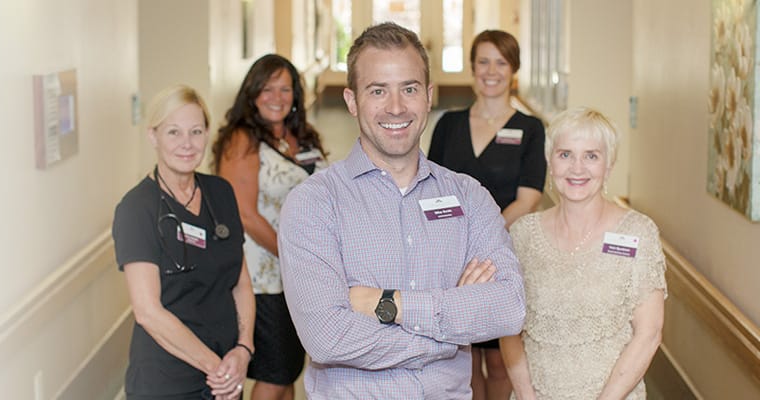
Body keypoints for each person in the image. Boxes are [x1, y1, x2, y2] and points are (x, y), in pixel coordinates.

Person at [277, 22, 526, 398]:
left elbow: (508, 308)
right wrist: (447, 337)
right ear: (352, 100)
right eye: (378, 91)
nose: (396, 107)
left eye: (409, 89)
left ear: (428, 96)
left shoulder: (469, 196)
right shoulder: (314, 203)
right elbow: (327, 337)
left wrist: (388, 304)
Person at [500, 108, 664, 400]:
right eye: (565, 154)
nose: (577, 168)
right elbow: (509, 328)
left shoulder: (638, 233)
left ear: (609, 166)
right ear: (550, 162)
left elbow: (648, 335)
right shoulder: (522, 235)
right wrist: (527, 396)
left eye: (591, 156)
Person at [424, 29, 546, 400]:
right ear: (472, 67)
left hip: (503, 256)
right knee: (463, 357)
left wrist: (481, 239)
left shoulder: (530, 129)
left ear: (514, 70)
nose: (490, 71)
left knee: (498, 359)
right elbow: (430, 188)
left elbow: (528, 199)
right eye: (483, 62)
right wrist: (456, 246)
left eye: (501, 62)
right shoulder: (449, 125)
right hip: (451, 258)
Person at [113, 85, 256, 400]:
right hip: (168, 381)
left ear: (207, 134)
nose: (187, 144)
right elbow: (148, 311)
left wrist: (244, 349)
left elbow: (241, 283)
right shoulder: (138, 209)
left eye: (196, 131)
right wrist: (217, 369)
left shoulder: (221, 193)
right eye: (174, 132)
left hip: (227, 372)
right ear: (153, 136)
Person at [211, 54, 326, 400]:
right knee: (275, 374)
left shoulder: (299, 136)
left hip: (298, 274)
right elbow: (243, 213)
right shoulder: (242, 139)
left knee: (290, 368)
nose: (276, 97)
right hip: (262, 277)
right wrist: (291, 254)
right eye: (267, 88)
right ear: (252, 93)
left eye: (285, 89)